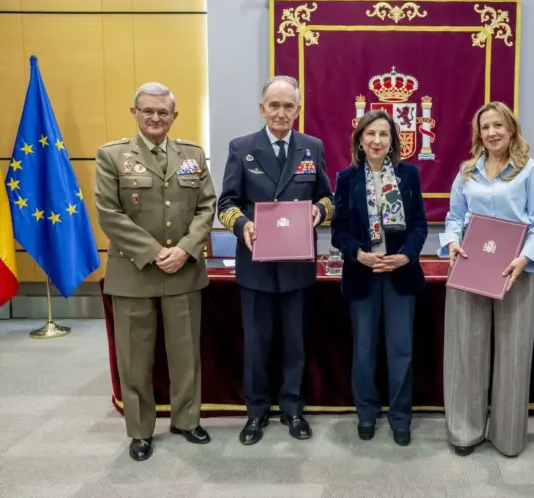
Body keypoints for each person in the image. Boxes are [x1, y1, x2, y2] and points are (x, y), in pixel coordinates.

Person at [94, 82, 216, 462]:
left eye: (163, 112)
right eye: (148, 110)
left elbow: (206, 207)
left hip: (183, 270)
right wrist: (154, 252)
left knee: (185, 356)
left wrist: (184, 249)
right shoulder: (112, 156)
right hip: (133, 274)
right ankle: (140, 431)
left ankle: (186, 420)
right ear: (135, 112)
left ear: (174, 116)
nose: (156, 118)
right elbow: (109, 214)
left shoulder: (192, 155)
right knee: (135, 359)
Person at [217, 75, 333, 445]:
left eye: (289, 106)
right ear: (262, 108)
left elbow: (328, 198)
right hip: (257, 266)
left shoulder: (312, 147)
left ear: (298, 110)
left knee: (295, 343)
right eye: (275, 105)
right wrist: (244, 226)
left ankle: (293, 409)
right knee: (257, 344)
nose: (282, 113)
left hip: (298, 265)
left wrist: (319, 212)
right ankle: (256, 413)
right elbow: (227, 204)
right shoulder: (242, 147)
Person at [438, 101, 534, 457]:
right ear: (479, 133)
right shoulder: (467, 171)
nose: (492, 133)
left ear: (511, 129)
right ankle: (465, 431)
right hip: (471, 268)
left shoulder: (530, 171)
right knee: (465, 351)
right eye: (485, 127)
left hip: (516, 272)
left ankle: (507, 436)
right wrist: (453, 242)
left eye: (498, 125)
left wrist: (526, 258)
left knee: (513, 354)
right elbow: (454, 216)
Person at [330, 110, 428, 446]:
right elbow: (338, 229)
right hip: (363, 274)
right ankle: (367, 412)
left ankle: (401, 417)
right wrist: (357, 252)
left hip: (400, 274)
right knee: (365, 349)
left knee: (401, 350)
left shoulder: (409, 176)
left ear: (393, 142)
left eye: (384, 135)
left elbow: (419, 225)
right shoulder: (346, 178)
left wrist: (406, 256)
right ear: (359, 139)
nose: (376, 141)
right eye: (370, 134)